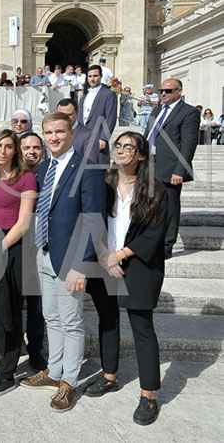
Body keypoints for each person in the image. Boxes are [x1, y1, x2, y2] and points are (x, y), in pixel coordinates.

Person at [19, 112, 105, 412]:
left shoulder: (87, 168)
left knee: (71, 321)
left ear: (71, 133)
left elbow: (93, 219)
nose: (53, 137)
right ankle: (54, 372)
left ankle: (69, 381)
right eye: (48, 132)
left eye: (59, 131)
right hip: (44, 252)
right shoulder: (44, 167)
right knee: (51, 317)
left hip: (70, 258)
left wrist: (81, 265)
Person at [84, 131, 168, 426]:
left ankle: (149, 395)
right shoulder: (104, 183)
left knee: (142, 328)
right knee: (107, 321)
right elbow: (92, 220)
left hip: (139, 265)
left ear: (141, 155)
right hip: (105, 261)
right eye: (118, 145)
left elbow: (154, 234)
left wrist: (118, 256)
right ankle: (110, 376)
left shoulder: (156, 188)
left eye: (128, 146)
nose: (120, 150)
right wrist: (104, 255)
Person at [0, 129, 41, 397]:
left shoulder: (26, 179)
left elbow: (24, 223)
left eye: (8, 146)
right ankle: (4, 359)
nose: (2, 151)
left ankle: (7, 375)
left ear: (16, 151)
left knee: (9, 310)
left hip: (11, 248)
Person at [146, 78, 199, 259]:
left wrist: (180, 170)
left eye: (168, 91)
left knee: (169, 208)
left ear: (179, 91)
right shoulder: (157, 110)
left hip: (170, 169)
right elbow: (148, 136)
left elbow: (188, 145)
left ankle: (167, 246)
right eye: (161, 91)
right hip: (150, 165)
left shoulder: (189, 112)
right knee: (151, 206)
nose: (163, 94)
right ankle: (152, 241)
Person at [75, 64, 117, 164]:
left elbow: (110, 118)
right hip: (83, 139)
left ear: (101, 76)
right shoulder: (83, 98)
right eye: (90, 76)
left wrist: (104, 138)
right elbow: (80, 119)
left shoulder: (109, 94)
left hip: (98, 138)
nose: (92, 79)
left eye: (95, 76)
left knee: (98, 169)